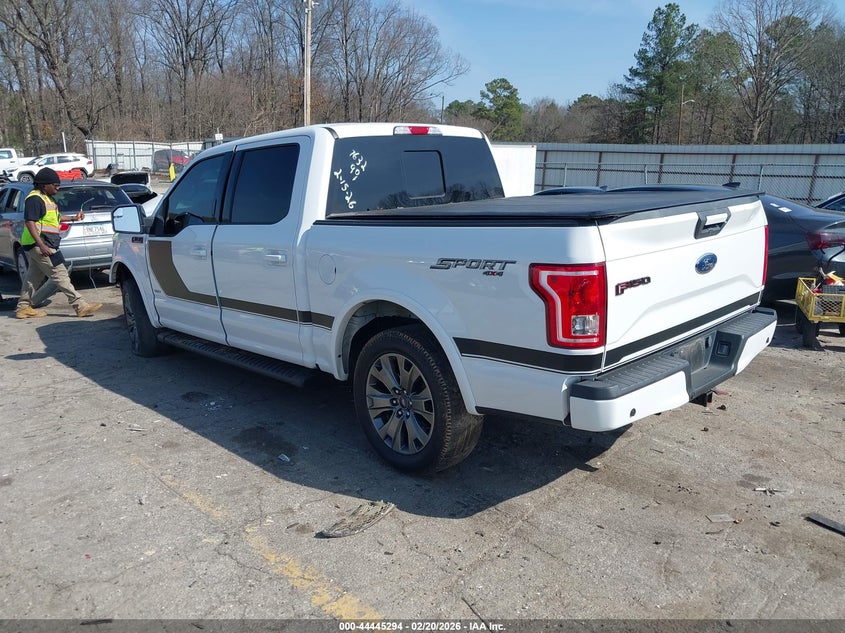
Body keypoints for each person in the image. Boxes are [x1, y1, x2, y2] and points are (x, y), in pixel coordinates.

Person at [15, 167, 103, 319]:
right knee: (60, 274)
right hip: (41, 245)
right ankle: (80, 305)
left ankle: (23, 307)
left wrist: (73, 218)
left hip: (43, 244)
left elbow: (55, 219)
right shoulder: (34, 199)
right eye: (55, 184)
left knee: (32, 278)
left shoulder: (47, 198)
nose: (58, 187)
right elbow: (30, 222)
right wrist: (41, 245)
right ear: (44, 185)